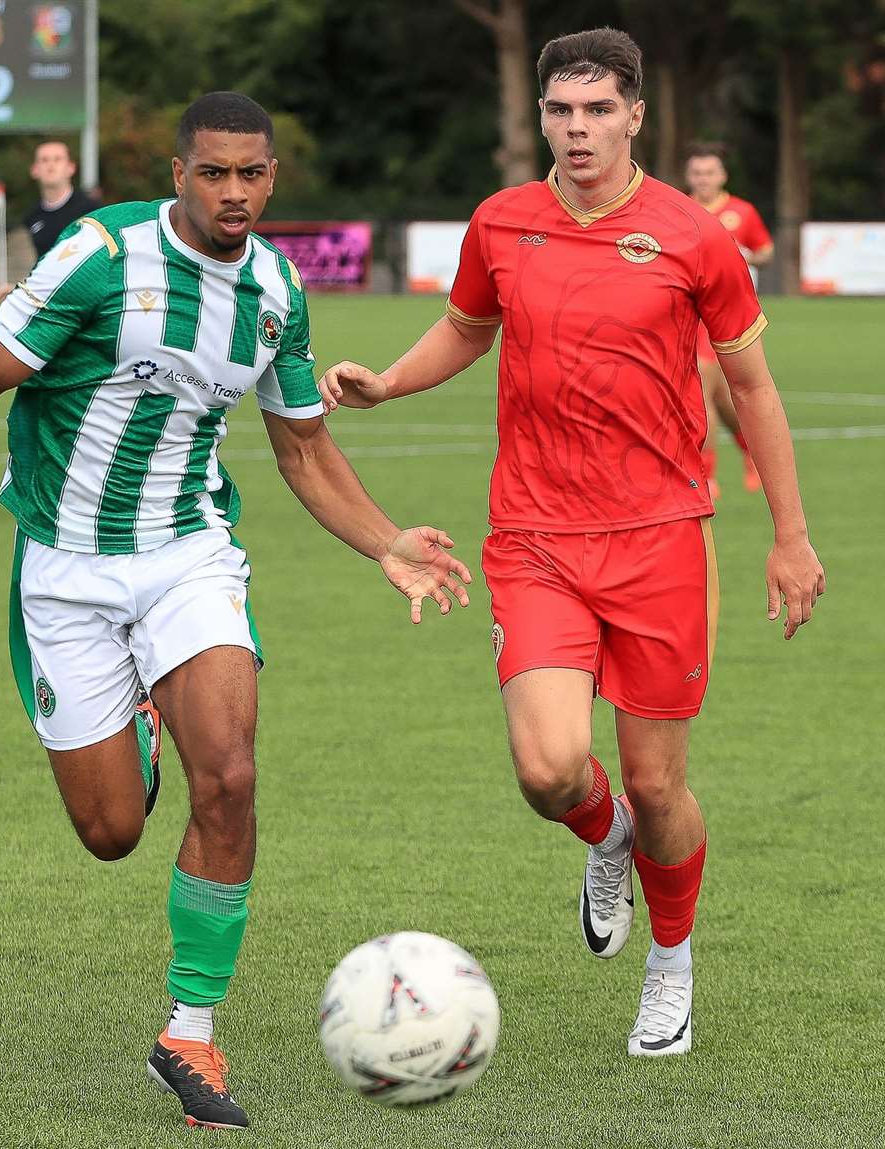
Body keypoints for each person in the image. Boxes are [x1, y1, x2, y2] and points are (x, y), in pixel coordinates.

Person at [0, 91, 471, 1130]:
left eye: (253, 173)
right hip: (64, 568)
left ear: (273, 175)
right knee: (113, 831)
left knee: (235, 773)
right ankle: (140, 727)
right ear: (178, 174)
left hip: (188, 555)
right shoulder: (99, 257)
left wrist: (385, 539)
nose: (236, 192)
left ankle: (191, 1027)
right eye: (215, 172)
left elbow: (300, 445)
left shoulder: (276, 290)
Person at [318, 30, 824, 1057]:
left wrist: (792, 536)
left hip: (662, 539)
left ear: (636, 115)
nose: (578, 129)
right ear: (542, 118)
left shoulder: (694, 237)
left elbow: (755, 387)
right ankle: (607, 844)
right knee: (552, 772)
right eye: (561, 111)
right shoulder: (503, 222)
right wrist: (390, 381)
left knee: (657, 782)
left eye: (597, 111)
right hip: (537, 534)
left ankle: (671, 965)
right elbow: (466, 325)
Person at [684, 142, 775, 497]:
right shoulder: (679, 209)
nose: (703, 179)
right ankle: (707, 476)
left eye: (709, 172)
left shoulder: (742, 211)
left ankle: (749, 450)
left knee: (722, 395)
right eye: (696, 173)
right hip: (689, 313)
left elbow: (766, 252)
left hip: (731, 313)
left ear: (722, 175)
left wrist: (747, 255)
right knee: (703, 385)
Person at [0, 141, 99, 301]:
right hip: (52, 300)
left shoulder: (90, 210)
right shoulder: (32, 217)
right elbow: (44, 267)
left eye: (57, 159)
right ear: (34, 170)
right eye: (44, 160)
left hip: (87, 298)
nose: (51, 165)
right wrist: (20, 288)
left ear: (71, 168)